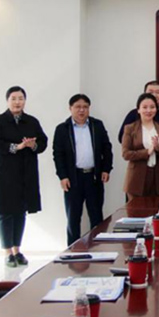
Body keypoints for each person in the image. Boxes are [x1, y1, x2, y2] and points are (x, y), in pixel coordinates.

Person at [0, 86, 47, 267]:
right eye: (13, 98)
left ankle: (17, 250)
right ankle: (7, 253)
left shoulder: (31, 121)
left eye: (21, 98)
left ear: (25, 101)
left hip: (25, 174)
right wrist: (17, 147)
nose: (17, 102)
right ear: (7, 101)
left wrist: (32, 145)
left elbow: (43, 142)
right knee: (5, 213)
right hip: (5, 174)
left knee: (20, 212)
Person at [52, 94, 113, 246]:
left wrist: (106, 169)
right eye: (78, 107)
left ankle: (98, 250)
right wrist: (62, 176)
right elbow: (58, 155)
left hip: (94, 177)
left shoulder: (97, 125)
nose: (81, 110)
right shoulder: (62, 129)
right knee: (73, 218)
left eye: (85, 107)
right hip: (73, 179)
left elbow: (107, 148)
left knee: (97, 217)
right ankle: (73, 251)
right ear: (70, 108)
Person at [118, 81, 159, 192]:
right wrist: (146, 150)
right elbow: (122, 139)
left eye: (158, 92)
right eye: (150, 92)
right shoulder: (133, 116)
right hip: (137, 171)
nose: (154, 95)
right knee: (135, 202)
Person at [122, 93, 159, 200]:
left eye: (152, 107)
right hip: (136, 178)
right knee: (136, 209)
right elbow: (126, 154)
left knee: (157, 209)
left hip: (158, 178)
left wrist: (158, 148)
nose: (148, 110)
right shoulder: (130, 128)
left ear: (156, 109)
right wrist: (147, 152)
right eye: (144, 107)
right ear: (138, 110)